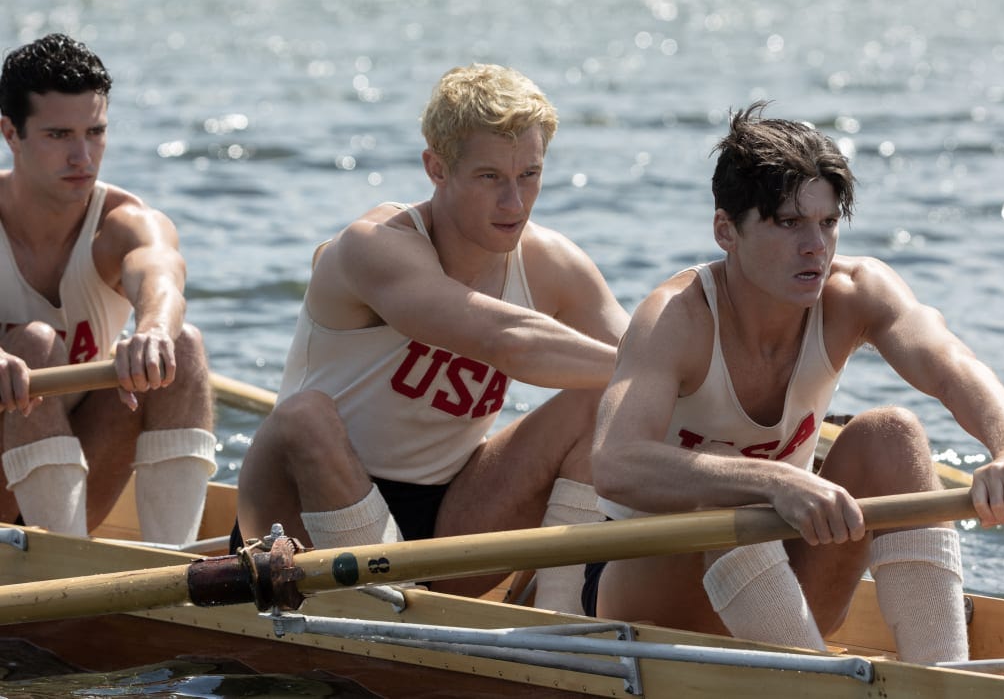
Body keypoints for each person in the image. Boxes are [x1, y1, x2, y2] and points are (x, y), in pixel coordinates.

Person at [587, 103, 1004, 663]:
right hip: (649, 596)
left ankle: (944, 677)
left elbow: (951, 362)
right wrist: (772, 480)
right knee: (714, 482)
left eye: (827, 223)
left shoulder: (855, 291)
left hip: (785, 588)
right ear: (725, 230)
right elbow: (614, 463)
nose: (815, 247)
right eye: (789, 223)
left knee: (891, 434)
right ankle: (818, 683)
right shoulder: (675, 319)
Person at [236, 63, 629, 613]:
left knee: (601, 400)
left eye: (530, 175)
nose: (514, 204)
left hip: (450, 517)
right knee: (305, 416)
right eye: (490, 177)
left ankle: (562, 628)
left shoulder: (554, 264)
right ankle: (385, 612)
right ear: (436, 167)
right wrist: (655, 372)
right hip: (302, 509)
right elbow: (506, 340)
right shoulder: (372, 246)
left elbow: (647, 362)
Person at [0, 33, 216, 545]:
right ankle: (67, 576)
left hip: (82, 471)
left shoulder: (123, 223)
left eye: (95, 132)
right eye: (58, 135)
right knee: (34, 344)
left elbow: (161, 274)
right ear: (11, 132)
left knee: (182, 346)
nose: (83, 156)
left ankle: (172, 571)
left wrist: (154, 331)